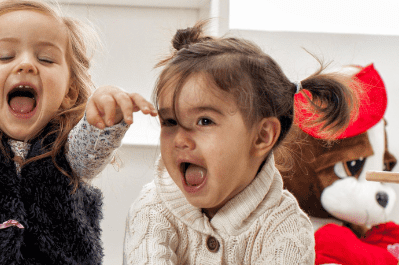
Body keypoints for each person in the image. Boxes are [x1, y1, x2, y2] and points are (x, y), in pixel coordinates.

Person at [0, 0, 156, 264]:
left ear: (69, 92)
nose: (27, 65)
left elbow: (90, 152)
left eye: (45, 59)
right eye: (6, 56)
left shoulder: (67, 148)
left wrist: (103, 119)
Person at [123, 21, 354, 263]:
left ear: (262, 136)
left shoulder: (287, 230)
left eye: (204, 121)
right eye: (170, 121)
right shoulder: (151, 210)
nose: (180, 139)